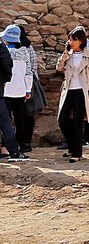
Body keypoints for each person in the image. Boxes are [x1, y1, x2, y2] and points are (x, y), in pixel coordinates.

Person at [56, 27, 89, 163]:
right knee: (62, 119)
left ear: (81, 41)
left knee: (78, 122)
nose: (71, 42)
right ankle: (71, 146)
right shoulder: (68, 53)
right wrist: (65, 55)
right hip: (68, 89)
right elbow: (59, 68)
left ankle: (77, 153)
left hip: (82, 90)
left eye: (74, 39)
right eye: (70, 39)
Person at [2, 25, 33, 159]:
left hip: (5, 91)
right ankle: (19, 146)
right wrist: (28, 89)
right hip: (20, 90)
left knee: (6, 121)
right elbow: (28, 72)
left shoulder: (4, 52)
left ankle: (5, 147)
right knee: (19, 120)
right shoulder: (25, 52)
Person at [17, 25, 45, 154]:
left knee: (21, 115)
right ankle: (26, 143)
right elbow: (34, 68)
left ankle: (21, 142)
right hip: (29, 83)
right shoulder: (29, 47)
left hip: (21, 84)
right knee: (28, 115)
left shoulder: (20, 48)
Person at [0, 29, 25, 161]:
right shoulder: (1, 48)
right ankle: (14, 152)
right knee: (5, 122)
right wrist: (4, 79)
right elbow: (6, 65)